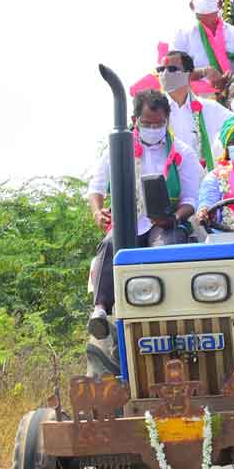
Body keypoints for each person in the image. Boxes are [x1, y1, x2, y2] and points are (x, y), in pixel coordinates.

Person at [87, 89, 203, 338]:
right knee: (110, 244)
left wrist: (173, 218)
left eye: (159, 123)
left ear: (167, 121)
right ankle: (100, 311)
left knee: (167, 246)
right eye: (147, 123)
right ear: (135, 120)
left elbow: (191, 200)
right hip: (128, 221)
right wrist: (98, 213)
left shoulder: (183, 153)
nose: (153, 128)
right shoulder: (117, 150)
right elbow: (96, 188)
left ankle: (172, 313)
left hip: (165, 222)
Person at [158, 49, 230, 167]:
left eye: (171, 69)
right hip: (168, 181)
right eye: (160, 70)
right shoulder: (155, 111)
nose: (164, 74)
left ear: (189, 74)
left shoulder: (211, 109)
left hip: (205, 180)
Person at [170, 0, 234, 92]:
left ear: (219, 4)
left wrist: (233, 75)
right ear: (192, 5)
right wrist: (203, 72)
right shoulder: (183, 36)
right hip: (199, 101)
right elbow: (172, 74)